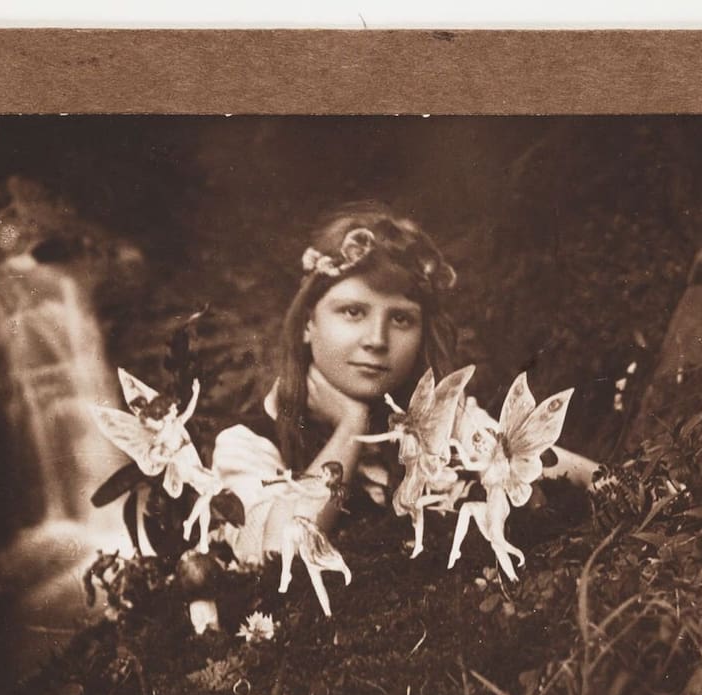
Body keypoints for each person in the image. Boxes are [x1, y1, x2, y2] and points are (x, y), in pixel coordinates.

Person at [210, 201, 598, 566]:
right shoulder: (249, 442)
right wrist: (351, 426)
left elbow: (562, 468)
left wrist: (620, 483)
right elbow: (279, 552)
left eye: (401, 320)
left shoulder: (446, 423)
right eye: (353, 312)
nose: (377, 340)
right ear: (309, 323)